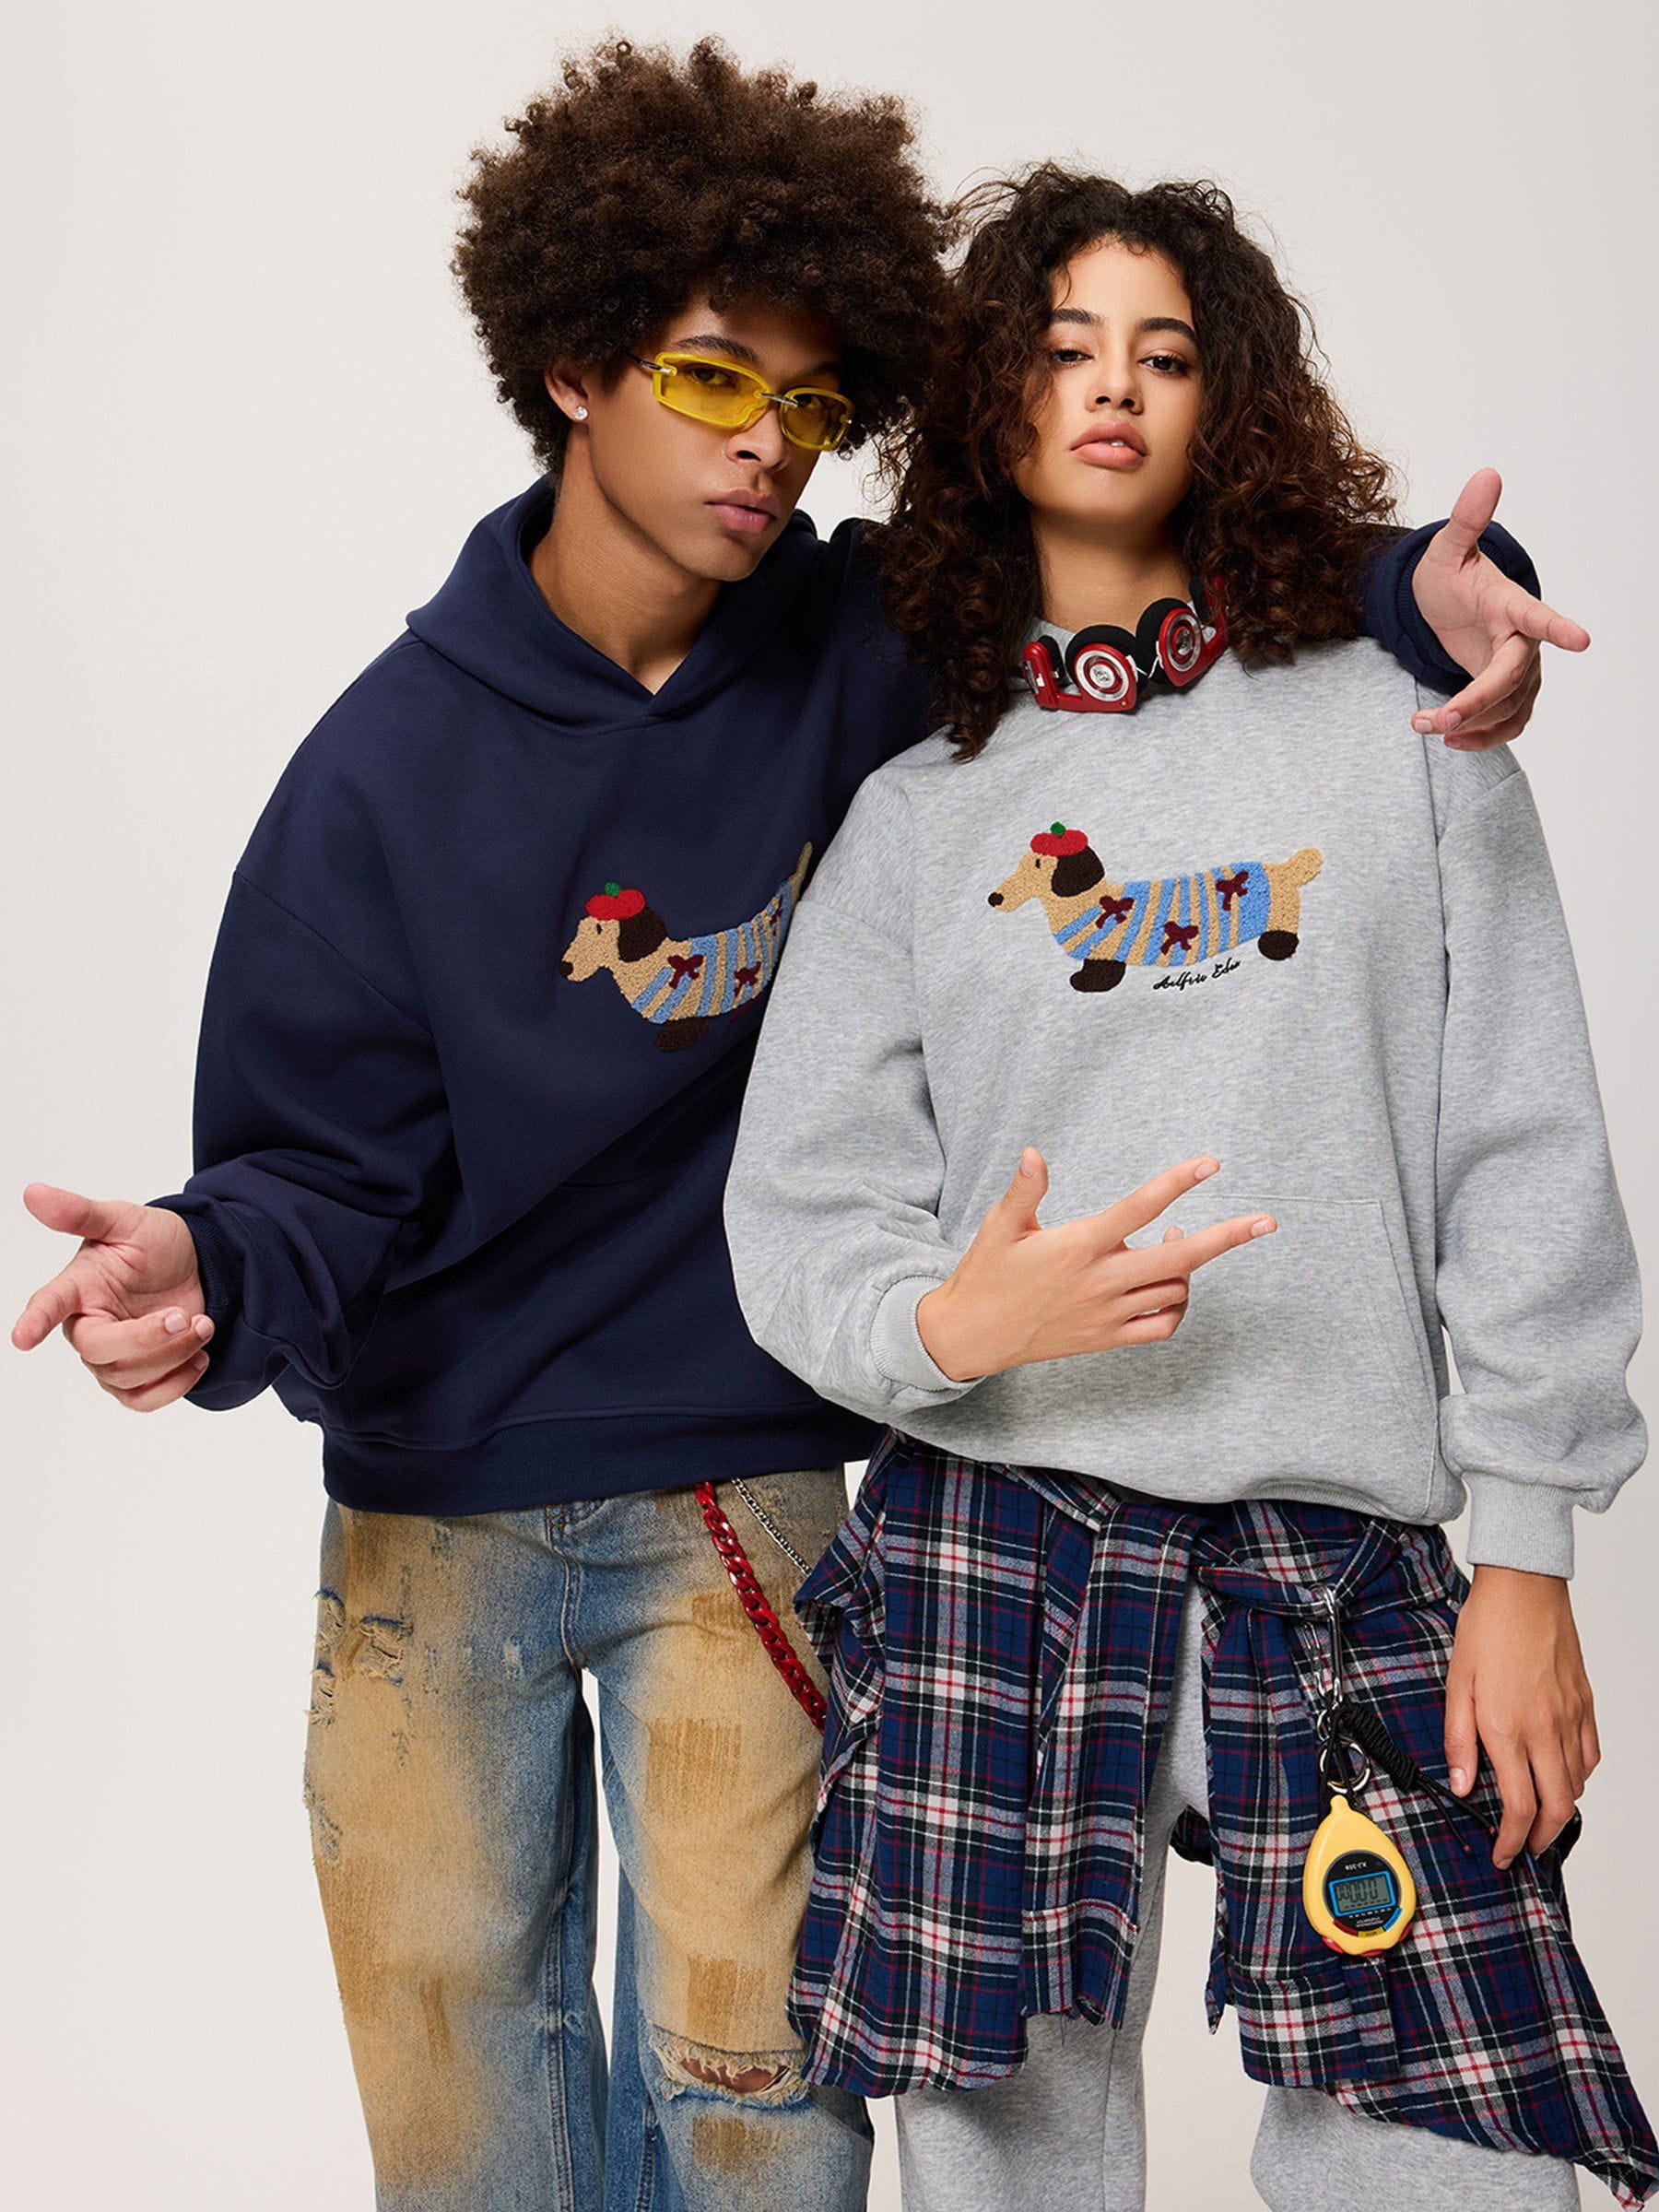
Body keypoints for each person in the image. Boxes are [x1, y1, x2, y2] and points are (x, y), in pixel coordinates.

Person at [10, 39, 1576, 2212]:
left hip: (746, 1476)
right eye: (711, 381)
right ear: (573, 365)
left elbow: (1152, 556)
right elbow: (321, 1164)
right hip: (448, 1485)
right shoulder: (386, 773)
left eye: (816, 405)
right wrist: (207, 1264)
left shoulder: (868, 648)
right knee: (459, 2060)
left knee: (758, 2092)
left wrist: (1425, 591)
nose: (768, 445)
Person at [724, 169, 1655, 2210]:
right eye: (1065, 350)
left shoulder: (1414, 735)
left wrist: (1526, 1553)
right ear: (992, 400)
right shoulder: (915, 819)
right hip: (992, 1541)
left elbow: (1523, 1144)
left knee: (1451, 2158)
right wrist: (952, 1326)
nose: (1114, 389)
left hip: (1345, 1539)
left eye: (1164, 353)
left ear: (1230, 399)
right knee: (1008, 2168)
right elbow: (805, 1212)